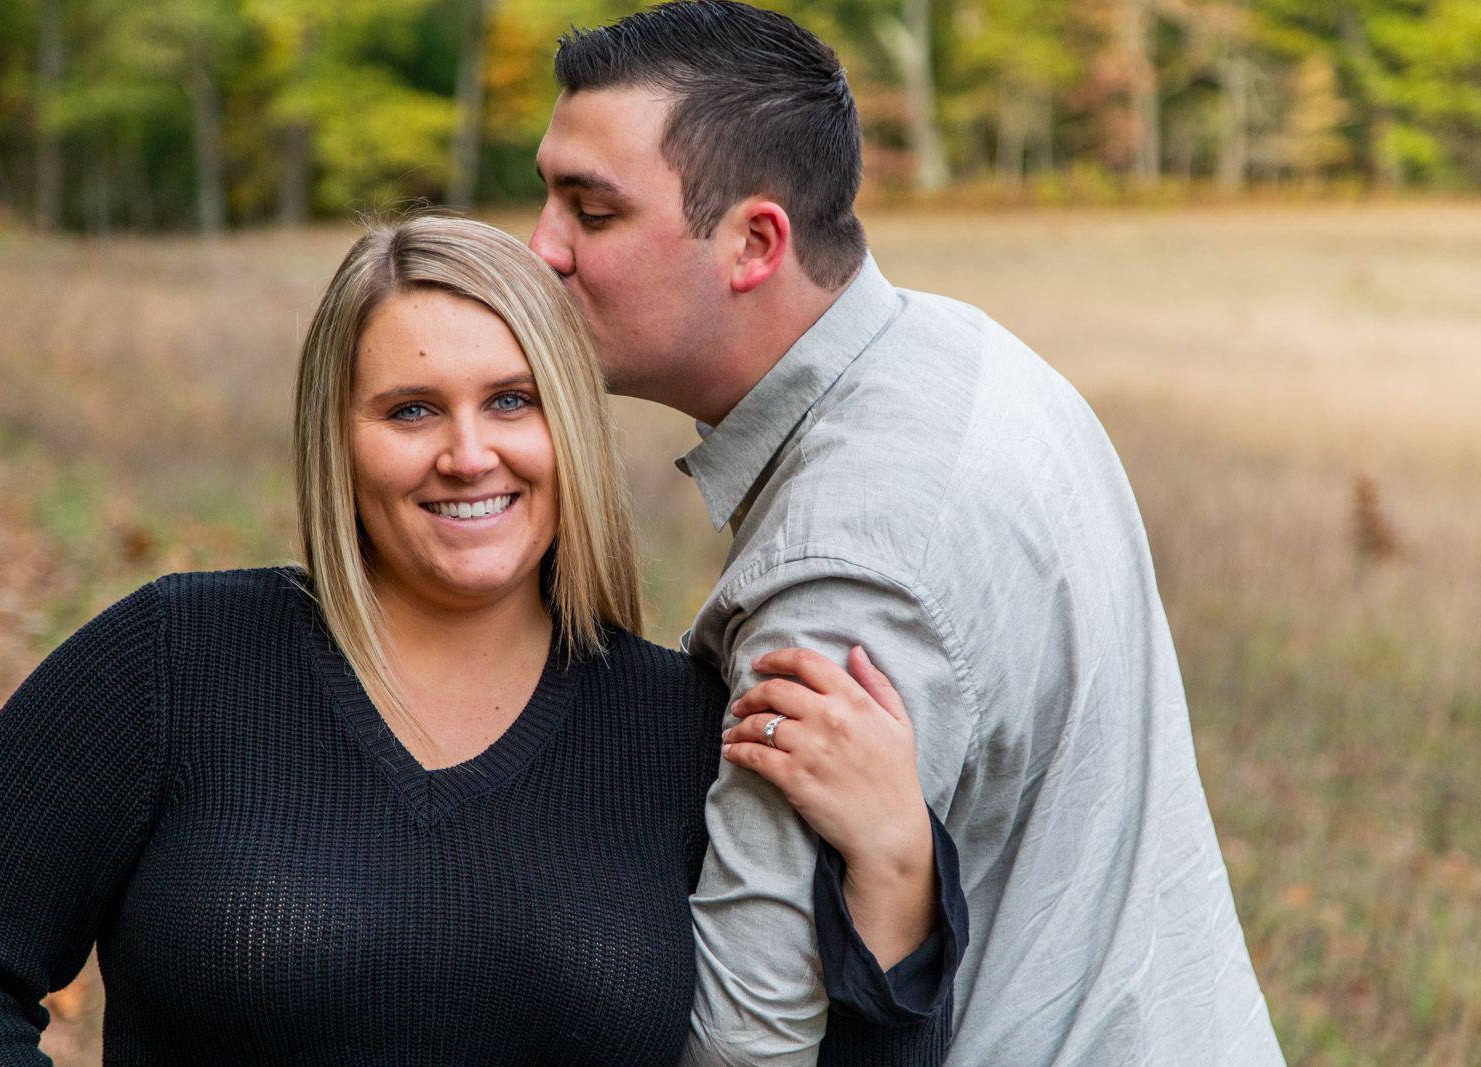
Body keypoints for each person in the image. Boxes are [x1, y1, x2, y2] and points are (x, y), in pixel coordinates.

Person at [0, 217, 959, 1064]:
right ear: (335, 440)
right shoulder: (175, 662)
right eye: (408, 410)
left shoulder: (680, 729)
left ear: (570, 428)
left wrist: (896, 861)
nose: (467, 453)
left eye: (511, 400)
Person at [529, 2, 1287, 1065]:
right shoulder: (959, 354)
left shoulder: (849, 569)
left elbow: (750, 1039)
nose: (540, 248)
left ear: (754, 242)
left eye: (590, 211)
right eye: (546, 194)